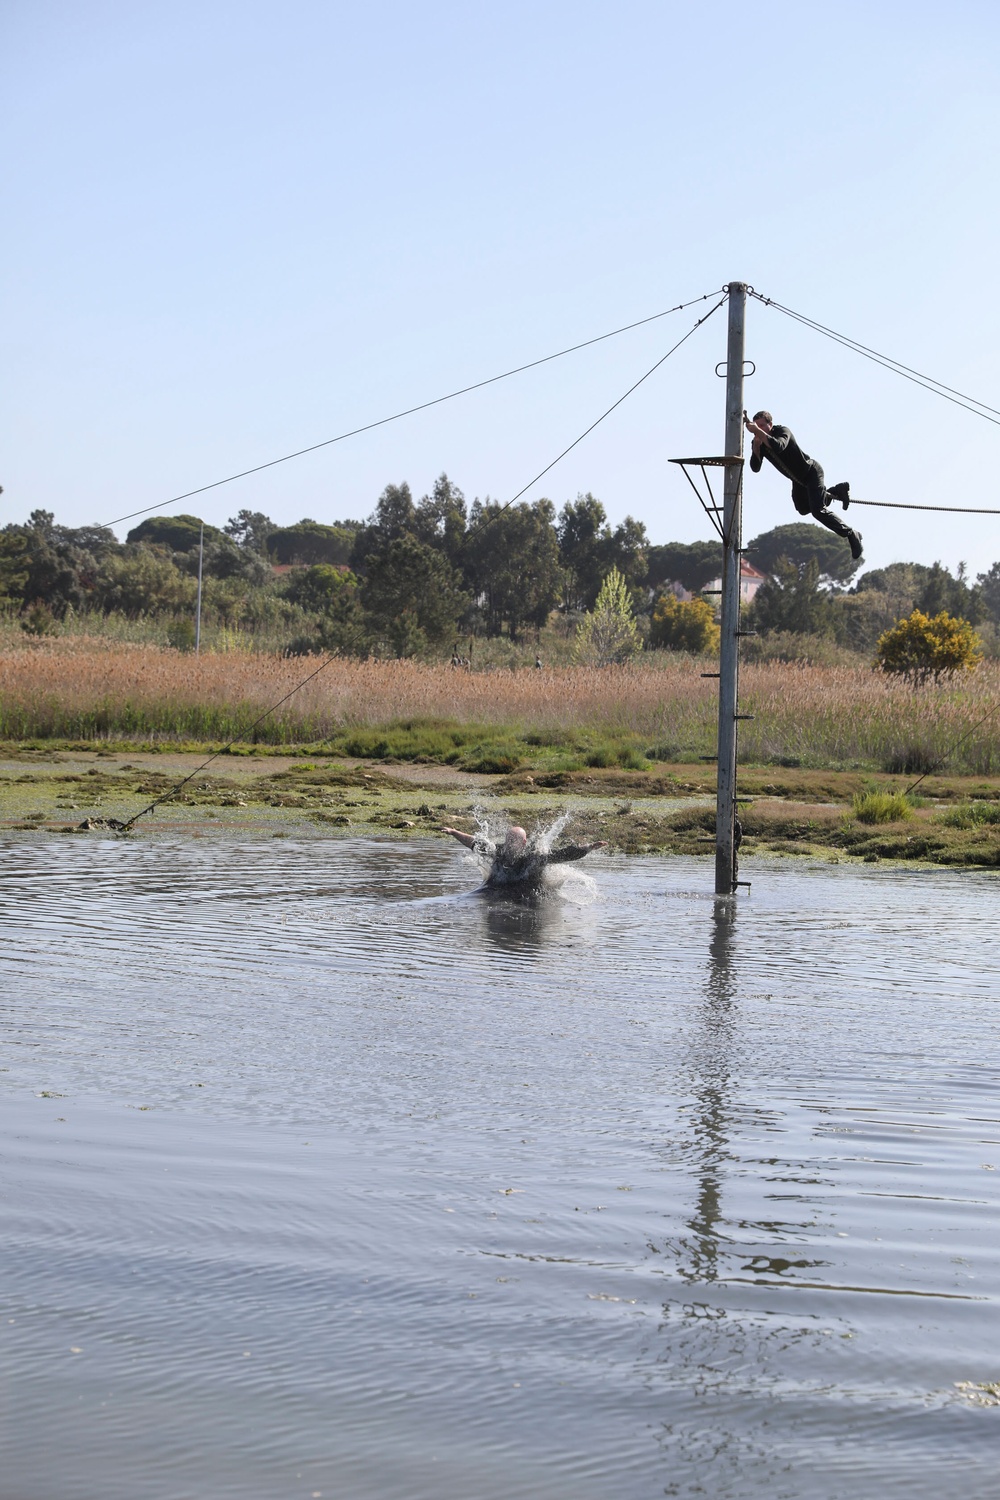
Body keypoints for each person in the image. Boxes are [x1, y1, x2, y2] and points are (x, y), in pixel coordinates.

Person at [744, 410, 863, 561]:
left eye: (762, 425)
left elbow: (779, 446)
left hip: (811, 472)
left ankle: (851, 534)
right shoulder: (759, 441)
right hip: (798, 480)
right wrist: (756, 446)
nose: (759, 428)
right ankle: (835, 491)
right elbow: (755, 467)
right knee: (803, 509)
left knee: (818, 510)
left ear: (770, 425)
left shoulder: (782, 431)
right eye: (757, 426)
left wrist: (757, 432)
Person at [443, 823, 607, 888]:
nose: (509, 844)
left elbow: (563, 854)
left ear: (523, 842)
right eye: (508, 840)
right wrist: (454, 832)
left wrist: (588, 848)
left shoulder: (534, 856)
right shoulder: (498, 851)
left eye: (513, 841)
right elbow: (474, 842)